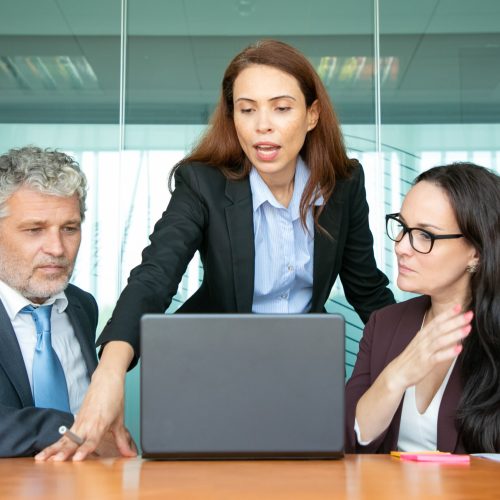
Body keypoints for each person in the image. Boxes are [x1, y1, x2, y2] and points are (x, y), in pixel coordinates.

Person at [38, 39, 395, 461]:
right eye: (247, 109)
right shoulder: (203, 182)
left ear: (312, 114)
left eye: (281, 108)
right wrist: (109, 371)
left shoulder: (344, 183)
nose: (263, 125)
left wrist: (424, 355)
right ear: (233, 117)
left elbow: (366, 289)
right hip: (210, 369)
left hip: (303, 372)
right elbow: (155, 276)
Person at [345, 162, 500, 453]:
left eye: (425, 235)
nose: (402, 246)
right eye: (402, 227)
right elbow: (348, 441)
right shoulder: (384, 323)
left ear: (476, 253)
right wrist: (396, 377)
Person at [0, 146, 134, 457]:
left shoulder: (81, 306)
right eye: (35, 230)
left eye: (69, 229)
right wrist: (77, 429)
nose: (58, 248)